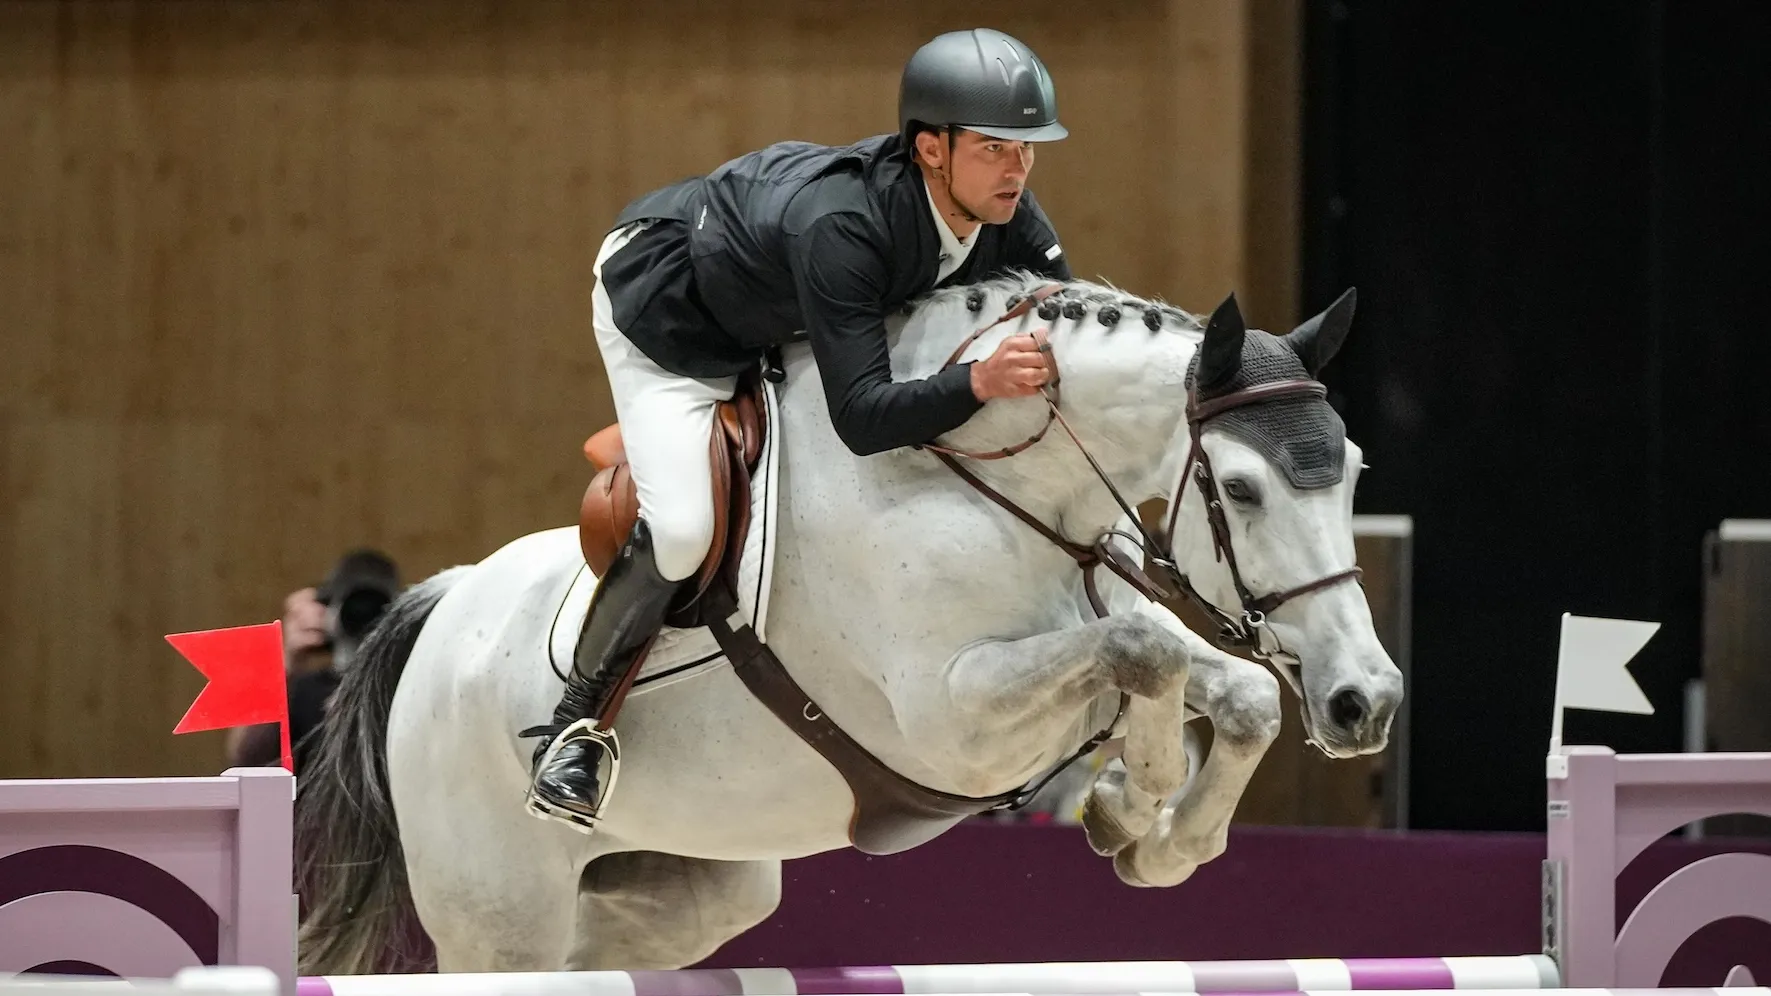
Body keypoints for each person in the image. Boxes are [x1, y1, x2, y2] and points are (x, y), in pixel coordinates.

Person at [522, 28, 1075, 830]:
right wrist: (977, 380)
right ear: (930, 148)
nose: (1017, 169)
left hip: (789, 305)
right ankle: (575, 726)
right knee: (681, 530)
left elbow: (1067, 334)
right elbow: (862, 419)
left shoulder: (1005, 213)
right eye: (995, 147)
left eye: (1026, 148)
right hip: (677, 320)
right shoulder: (842, 227)